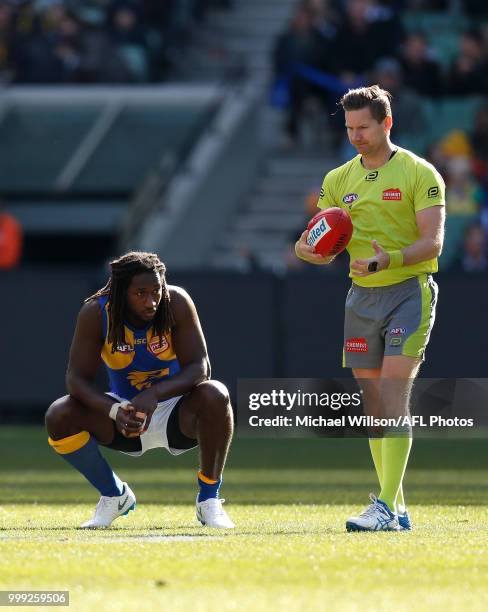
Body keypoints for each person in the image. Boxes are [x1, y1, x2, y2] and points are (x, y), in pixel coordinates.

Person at [295, 85, 445, 532]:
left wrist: (390, 258)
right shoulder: (338, 179)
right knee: (374, 401)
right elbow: (310, 239)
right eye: (349, 128)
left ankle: (383, 504)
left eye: (363, 127)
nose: (356, 136)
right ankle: (395, 509)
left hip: (407, 290)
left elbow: (433, 242)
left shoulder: (421, 173)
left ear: (387, 124)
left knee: (394, 395)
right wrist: (311, 253)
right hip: (361, 296)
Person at [45, 251, 235, 529]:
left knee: (216, 394)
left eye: (156, 290)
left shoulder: (177, 302)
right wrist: (115, 410)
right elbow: (76, 380)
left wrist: (154, 395)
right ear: (122, 292)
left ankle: (209, 500)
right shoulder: (96, 313)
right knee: (59, 415)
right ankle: (114, 496)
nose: (151, 301)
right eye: (141, 293)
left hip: (174, 410)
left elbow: (200, 368)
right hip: (124, 412)